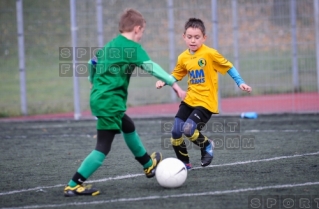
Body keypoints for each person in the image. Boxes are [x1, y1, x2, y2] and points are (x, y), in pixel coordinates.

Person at [64, 8, 186, 197]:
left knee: (128, 125)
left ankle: (148, 165)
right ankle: (73, 184)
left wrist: (92, 81)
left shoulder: (111, 45)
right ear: (137, 29)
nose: (141, 36)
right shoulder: (132, 48)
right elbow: (151, 66)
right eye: (142, 32)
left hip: (102, 98)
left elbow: (91, 63)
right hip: (109, 102)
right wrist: (174, 84)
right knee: (103, 146)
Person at [156, 18, 252, 170]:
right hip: (189, 99)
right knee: (175, 132)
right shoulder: (183, 57)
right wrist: (165, 80)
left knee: (188, 129)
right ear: (184, 37)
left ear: (204, 38)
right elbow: (176, 74)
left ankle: (206, 144)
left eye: (197, 37)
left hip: (205, 102)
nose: (193, 40)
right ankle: (184, 163)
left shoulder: (210, 54)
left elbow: (228, 67)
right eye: (189, 37)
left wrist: (240, 82)